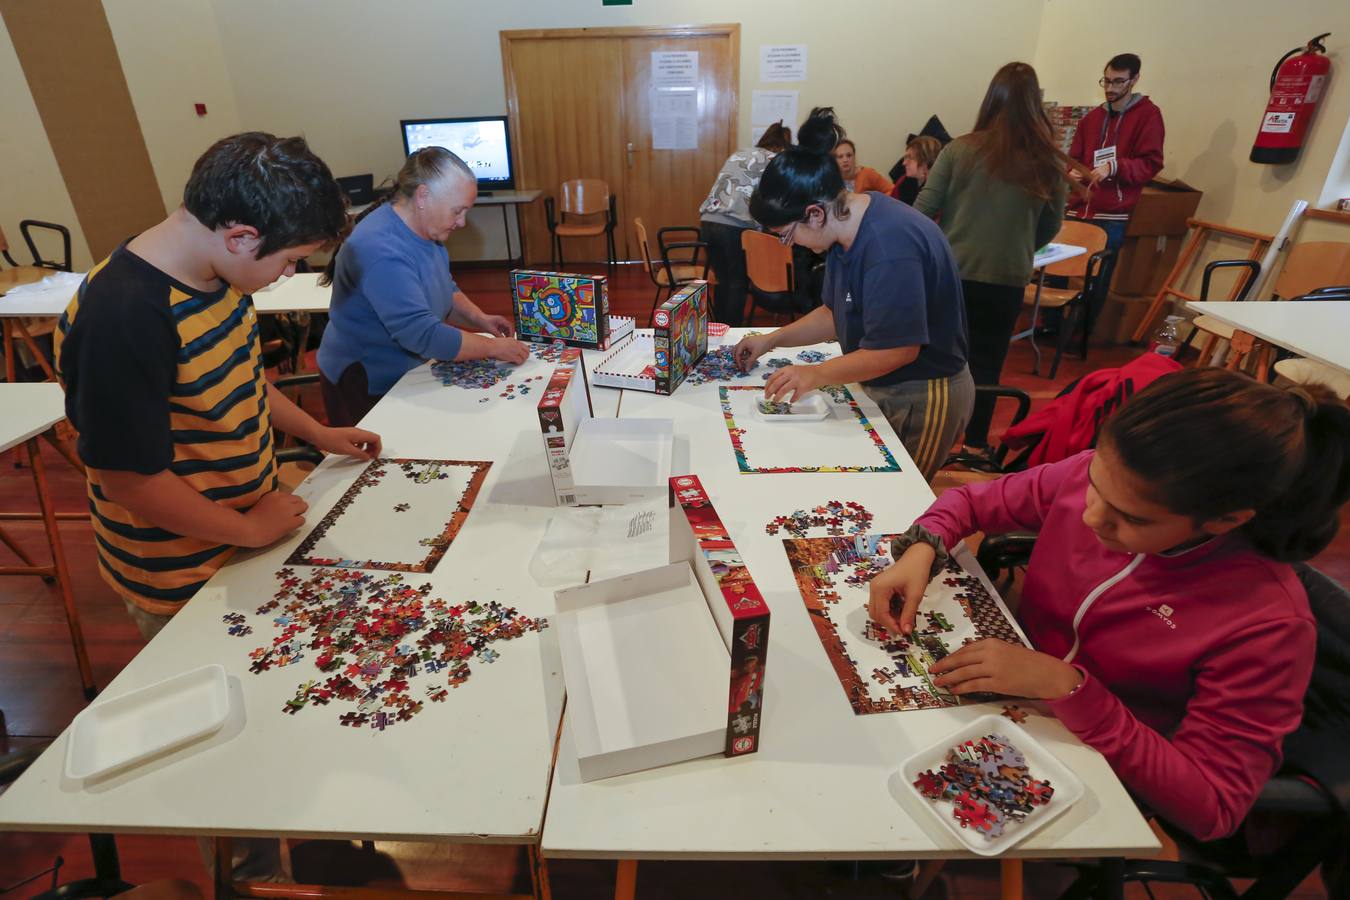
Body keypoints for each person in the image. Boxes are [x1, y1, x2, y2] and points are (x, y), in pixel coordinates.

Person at [869, 367, 1350, 842]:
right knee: (872, 753)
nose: (1090, 513)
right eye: (1097, 483)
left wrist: (1069, 687)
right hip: (1010, 687)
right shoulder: (1091, 476)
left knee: (902, 810)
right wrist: (922, 545)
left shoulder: (1270, 625)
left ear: (1226, 520)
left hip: (1102, 760)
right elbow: (975, 502)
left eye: (1130, 518)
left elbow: (1214, 805)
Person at [55, 133, 381, 642]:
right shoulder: (122, 316)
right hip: (179, 572)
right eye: (290, 259)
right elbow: (127, 480)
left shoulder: (221, 279)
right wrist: (250, 530)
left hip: (244, 529)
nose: (289, 273)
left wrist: (318, 432)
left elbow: (242, 380)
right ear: (242, 237)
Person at [734, 109, 973, 482]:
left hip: (924, 394)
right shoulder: (845, 231)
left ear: (814, 214)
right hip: (886, 382)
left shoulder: (888, 246)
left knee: (896, 499)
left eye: (786, 234)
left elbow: (898, 349)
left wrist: (817, 373)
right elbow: (833, 312)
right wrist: (773, 339)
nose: (789, 243)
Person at [915, 62, 1078, 452]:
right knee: (988, 361)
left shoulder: (960, 150)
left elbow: (922, 210)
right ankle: (974, 445)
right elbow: (1051, 225)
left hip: (953, 273)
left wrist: (938, 249)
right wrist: (1017, 245)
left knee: (941, 359)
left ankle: (934, 441)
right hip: (1008, 277)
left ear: (992, 99)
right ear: (1035, 104)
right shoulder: (1049, 161)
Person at [317, 147, 527, 426]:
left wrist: (480, 319)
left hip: (406, 372)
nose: (462, 222)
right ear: (423, 196)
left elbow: (444, 286)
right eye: (458, 211)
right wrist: (492, 348)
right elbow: (422, 334)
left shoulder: (426, 228)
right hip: (365, 380)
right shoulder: (381, 250)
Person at [1067, 52, 1165, 252]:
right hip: (1077, 210)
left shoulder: (1148, 115)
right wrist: (1072, 171)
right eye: (1107, 81)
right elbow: (1073, 157)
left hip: (1111, 215)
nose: (1110, 88)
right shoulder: (1091, 119)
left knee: (1097, 278)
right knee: (1056, 272)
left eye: (1119, 82)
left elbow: (1151, 163)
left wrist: (1114, 166)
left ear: (1134, 80)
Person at [698, 121, 793, 326]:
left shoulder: (740, 153)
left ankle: (719, 328)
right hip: (734, 227)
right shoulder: (773, 160)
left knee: (724, 281)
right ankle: (732, 333)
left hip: (707, 222)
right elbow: (774, 200)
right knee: (738, 284)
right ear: (784, 146)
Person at [889, 136, 942, 206]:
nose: (904, 163)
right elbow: (891, 207)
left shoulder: (939, 188)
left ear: (925, 160)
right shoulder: (903, 181)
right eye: (905, 158)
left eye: (910, 158)